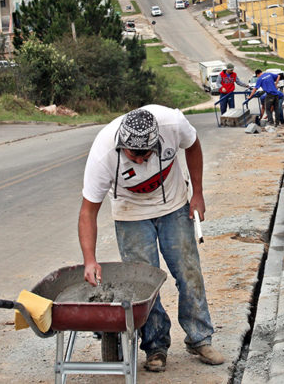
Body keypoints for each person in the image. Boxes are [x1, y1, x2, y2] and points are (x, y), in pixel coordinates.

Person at [78, 106, 225, 373]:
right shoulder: (103, 154)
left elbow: (193, 146)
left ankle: (200, 338)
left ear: (157, 142)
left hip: (174, 205)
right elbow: (88, 212)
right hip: (130, 213)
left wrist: (198, 194)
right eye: (133, 155)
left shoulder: (173, 124)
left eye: (147, 154)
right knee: (144, 284)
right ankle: (156, 346)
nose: (141, 160)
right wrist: (90, 260)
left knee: (189, 271)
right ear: (122, 146)